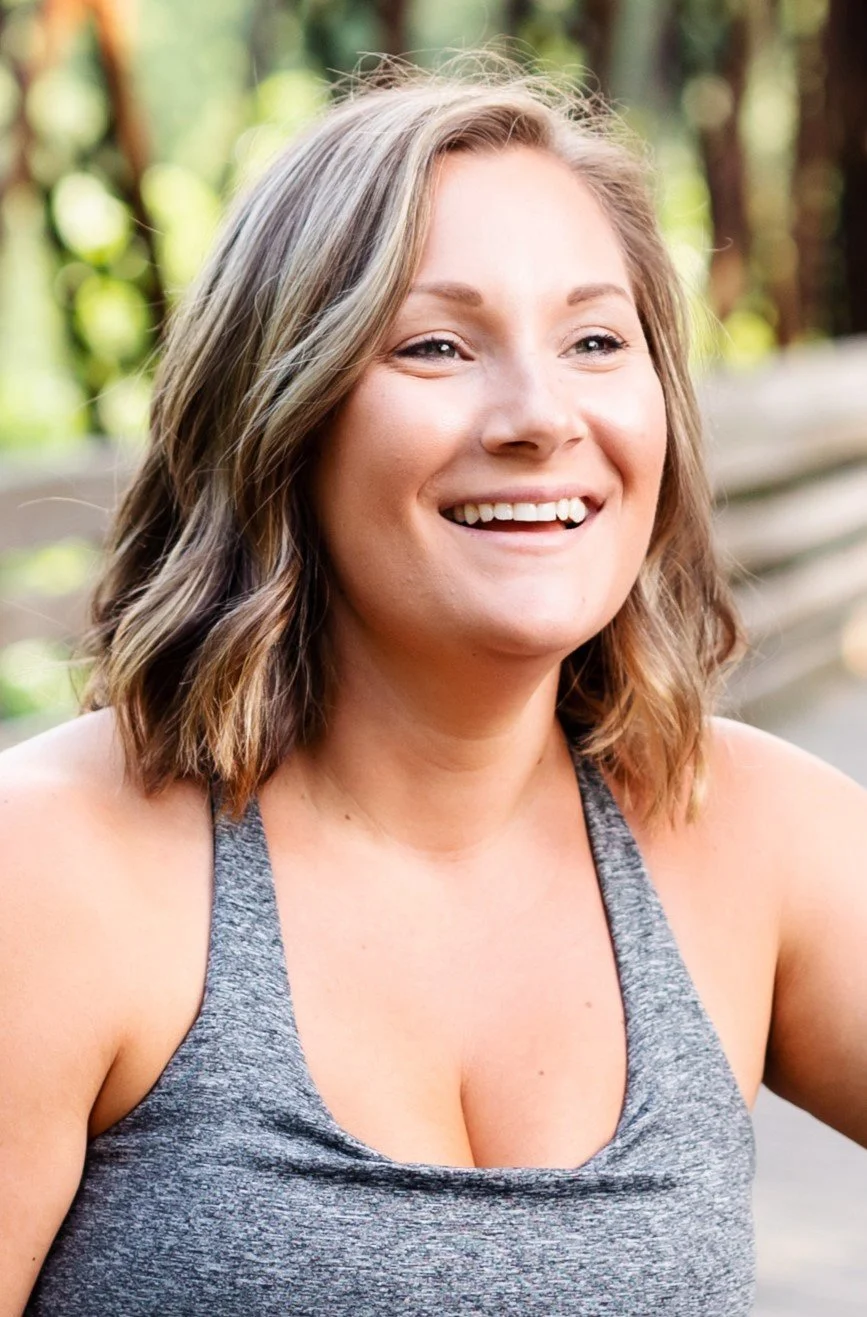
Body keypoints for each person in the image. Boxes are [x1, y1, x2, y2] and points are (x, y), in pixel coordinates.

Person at [2, 53, 865, 1317]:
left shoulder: (753, 835)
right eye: (438, 344)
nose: (539, 414)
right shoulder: (58, 869)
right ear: (280, 413)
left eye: (593, 339)